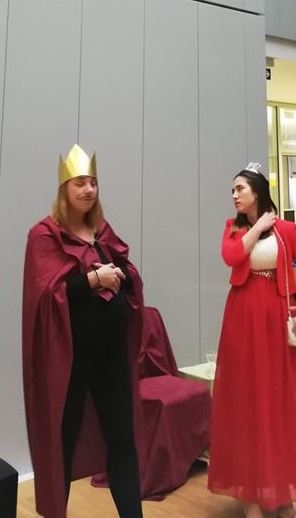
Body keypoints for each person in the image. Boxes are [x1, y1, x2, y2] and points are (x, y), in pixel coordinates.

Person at [22, 144, 145, 518]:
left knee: (122, 438)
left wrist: (120, 275)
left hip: (111, 353)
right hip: (70, 359)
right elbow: (46, 295)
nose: (88, 189)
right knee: (62, 440)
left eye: (92, 182)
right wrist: (94, 279)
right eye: (79, 183)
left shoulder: (102, 231)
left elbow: (127, 272)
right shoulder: (44, 235)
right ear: (64, 189)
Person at [207, 162, 296, 518]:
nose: (234, 195)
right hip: (242, 320)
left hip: (276, 319)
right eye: (232, 190)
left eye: (240, 189)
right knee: (245, 402)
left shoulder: (286, 230)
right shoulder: (234, 228)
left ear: (257, 190)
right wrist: (257, 227)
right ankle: (250, 495)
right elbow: (231, 256)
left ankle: (280, 488)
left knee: (278, 402)